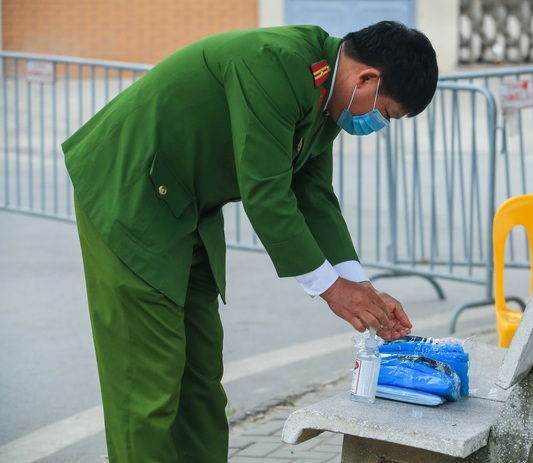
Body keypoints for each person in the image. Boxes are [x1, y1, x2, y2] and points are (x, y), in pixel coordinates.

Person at [63, 20, 438, 462]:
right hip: (129, 194)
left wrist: (361, 286)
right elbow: (267, 194)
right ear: (368, 79)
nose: (378, 124)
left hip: (187, 206)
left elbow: (313, 193)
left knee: (201, 378)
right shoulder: (274, 65)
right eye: (386, 113)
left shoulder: (332, 97)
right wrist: (332, 291)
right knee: (146, 385)